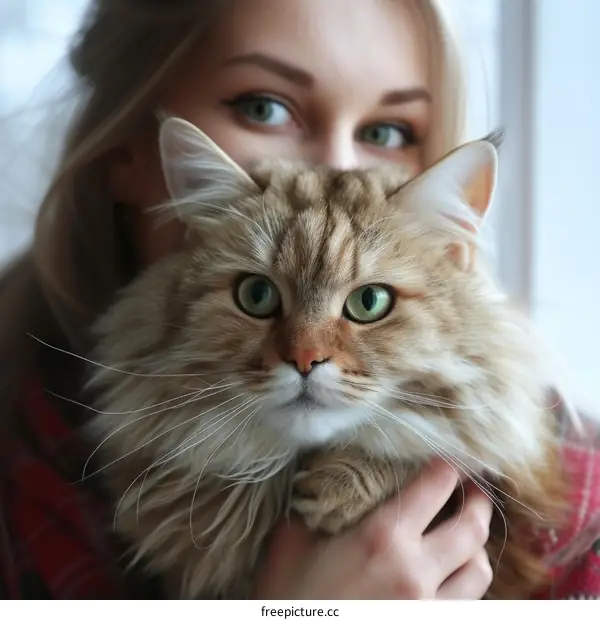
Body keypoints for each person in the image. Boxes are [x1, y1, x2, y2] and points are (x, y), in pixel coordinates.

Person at [0, 0, 598, 600]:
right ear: (128, 146)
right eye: (265, 108)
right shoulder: (25, 481)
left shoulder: (582, 533)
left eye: (386, 132)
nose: (306, 353)